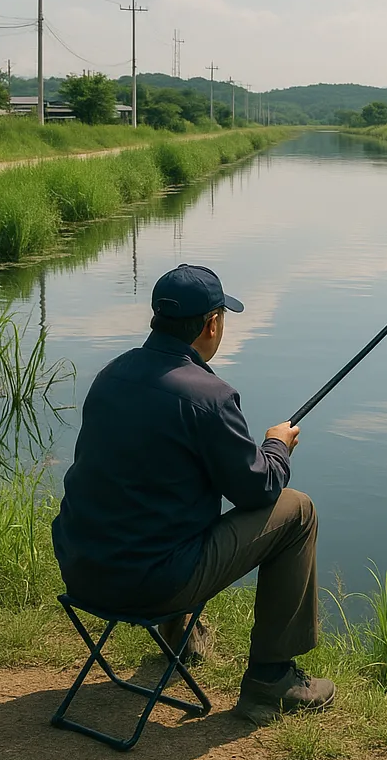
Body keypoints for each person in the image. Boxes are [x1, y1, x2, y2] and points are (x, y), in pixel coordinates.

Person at [51, 263, 335, 721]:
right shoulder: (209, 396)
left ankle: (179, 637)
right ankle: (271, 678)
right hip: (150, 586)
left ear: (156, 318)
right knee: (297, 511)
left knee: (163, 498)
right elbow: (258, 489)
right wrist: (277, 447)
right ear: (212, 323)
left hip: (82, 571)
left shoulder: (111, 374)